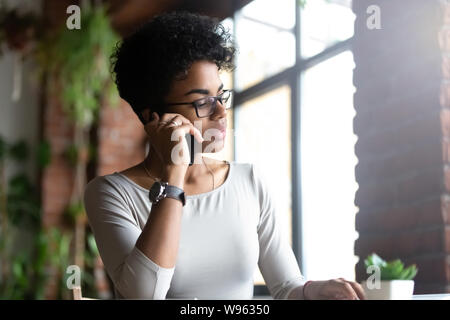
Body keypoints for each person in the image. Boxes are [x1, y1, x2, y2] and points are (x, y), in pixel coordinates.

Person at [83, 11, 365, 300]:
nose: (220, 112)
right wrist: (175, 173)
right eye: (203, 102)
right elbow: (144, 295)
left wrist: (315, 291)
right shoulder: (110, 193)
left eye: (220, 96)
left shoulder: (250, 181)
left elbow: (285, 287)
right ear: (153, 116)